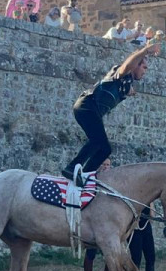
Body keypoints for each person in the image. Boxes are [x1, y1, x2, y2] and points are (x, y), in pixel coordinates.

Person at [61, 43, 160, 184]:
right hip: (87, 106)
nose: (145, 71)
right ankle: (74, 169)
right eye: (144, 67)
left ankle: (84, 175)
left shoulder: (125, 83)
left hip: (90, 110)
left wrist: (128, 91)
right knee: (100, 143)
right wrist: (145, 51)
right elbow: (127, 65)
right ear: (136, 65)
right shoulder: (119, 73)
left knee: (103, 147)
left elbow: (124, 86)